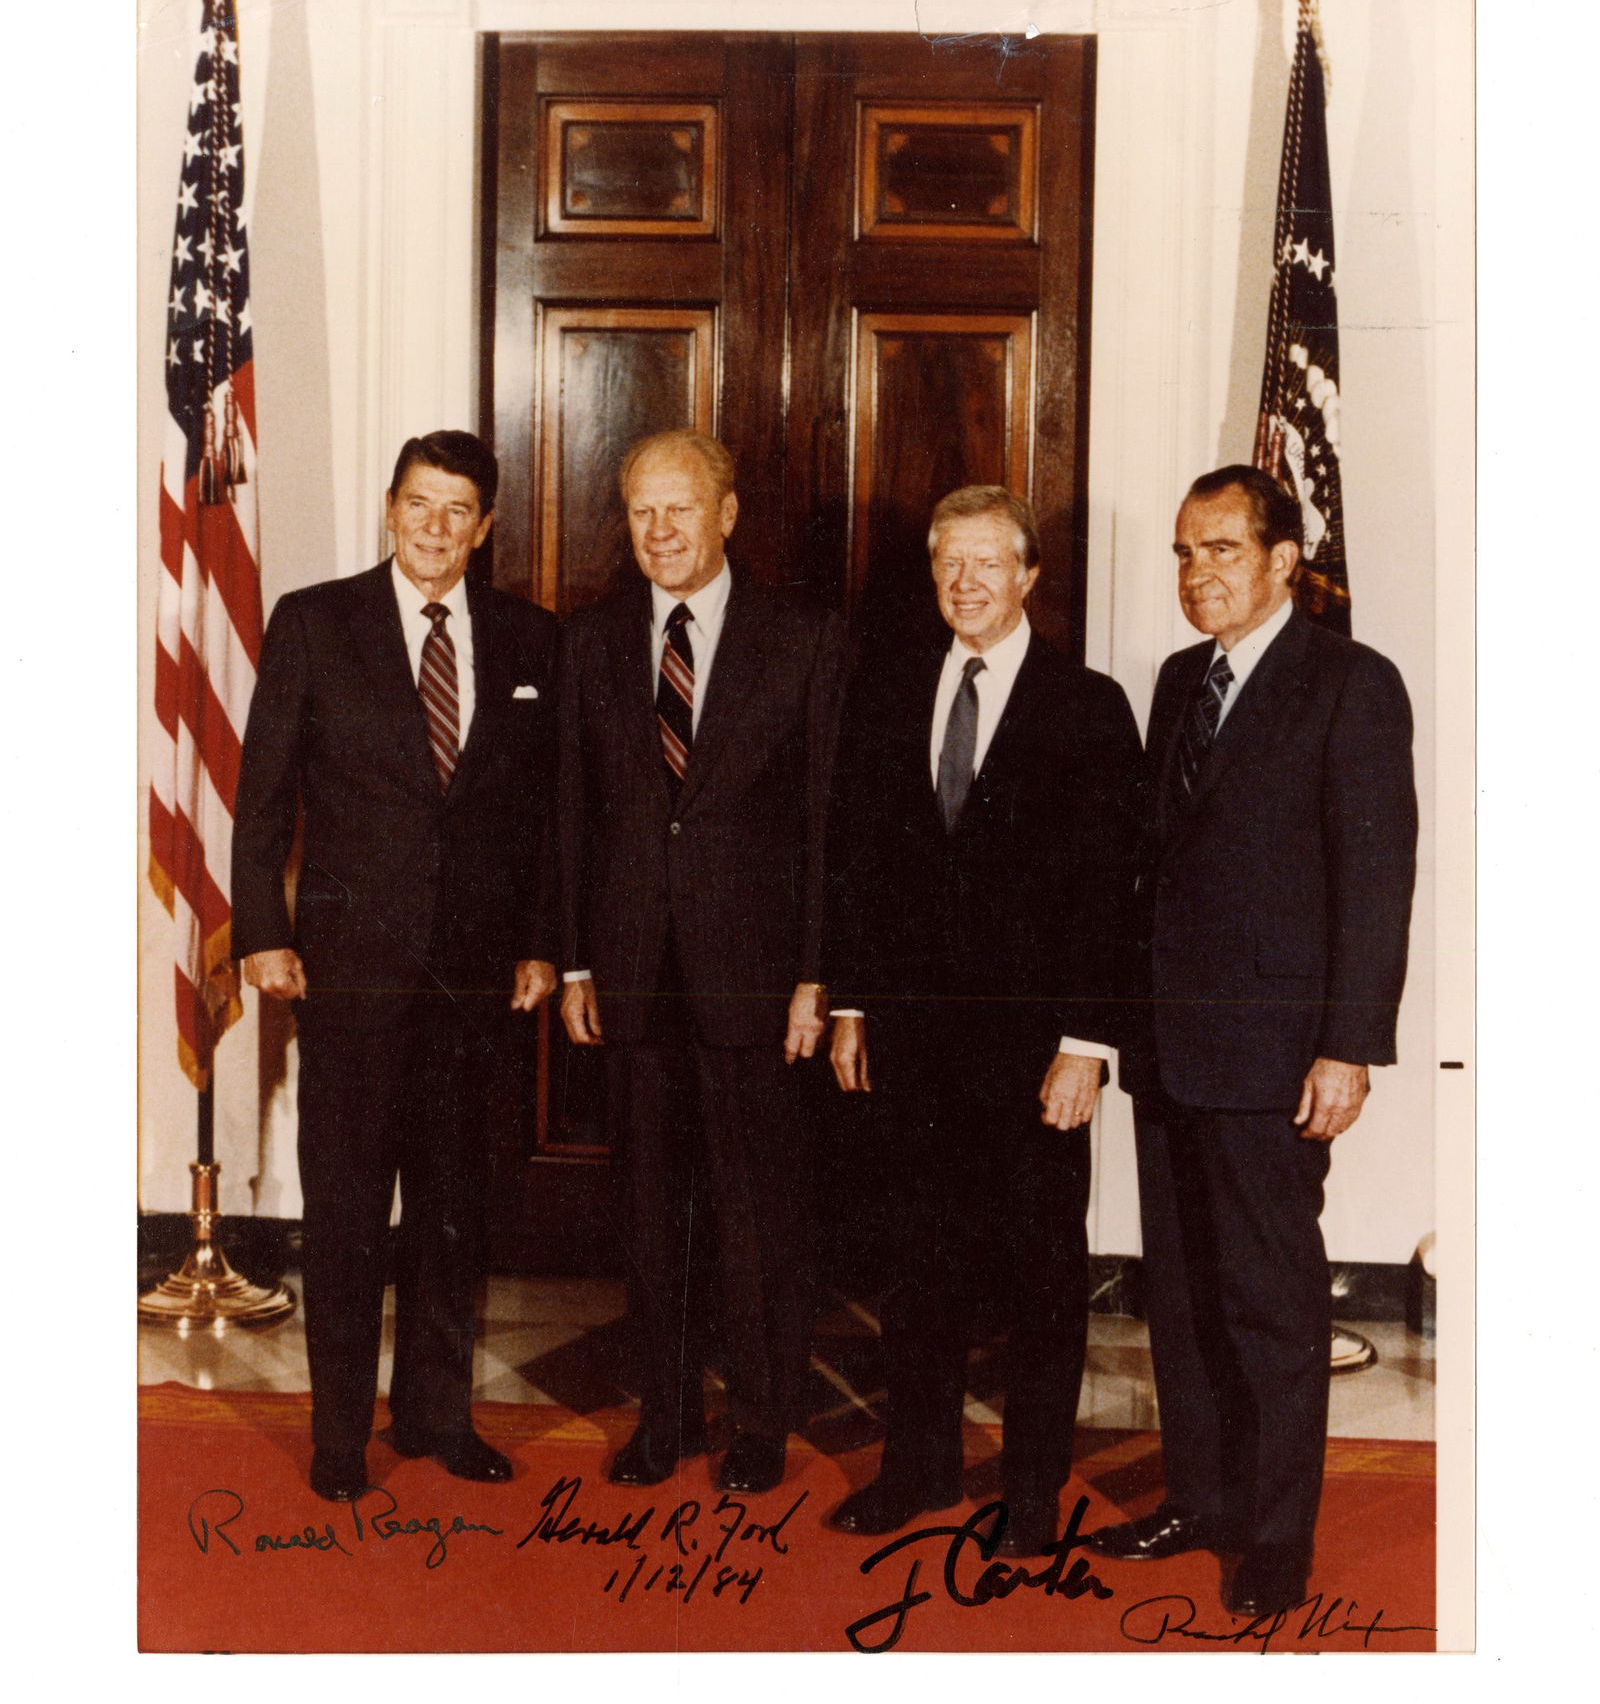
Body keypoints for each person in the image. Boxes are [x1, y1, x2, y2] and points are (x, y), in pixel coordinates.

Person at [1089, 465, 1418, 1615]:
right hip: (1171, 1044)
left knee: (1269, 1300)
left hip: (1276, 1050)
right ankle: (1203, 1498)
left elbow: (1376, 881)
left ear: (1284, 559)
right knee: (1178, 1293)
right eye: (1184, 552)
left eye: (1221, 549)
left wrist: (1349, 1044)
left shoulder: (1351, 682)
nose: (1198, 573)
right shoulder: (1181, 679)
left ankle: (1276, 1535)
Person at [232, 430, 559, 1503]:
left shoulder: (527, 640)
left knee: (454, 1210)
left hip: (474, 987)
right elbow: (264, 796)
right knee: (345, 1213)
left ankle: (437, 1417)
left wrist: (542, 942)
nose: (435, 526)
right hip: (349, 976)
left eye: (457, 509)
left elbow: (546, 822)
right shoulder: (315, 622)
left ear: (485, 525)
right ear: (389, 507)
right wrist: (263, 933)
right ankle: (339, 1434)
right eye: (419, 503)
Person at [823, 487, 1145, 1556]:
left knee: (1040, 1273)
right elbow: (859, 860)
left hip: (1034, 1054)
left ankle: (1033, 1490)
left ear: (1028, 577)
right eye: (946, 566)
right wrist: (855, 1000)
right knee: (918, 1265)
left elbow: (1113, 888)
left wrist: (1087, 1045)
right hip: (913, 1044)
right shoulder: (888, 689)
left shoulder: (1087, 704)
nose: (964, 585)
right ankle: (913, 1469)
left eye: (985, 565)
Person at [557, 429, 847, 1496]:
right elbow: (570, 816)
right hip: (633, 973)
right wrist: (580, 964)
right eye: (641, 510)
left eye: (680, 508)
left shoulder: (805, 637)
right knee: (648, 1214)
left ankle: (762, 1420)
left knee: (756, 1213)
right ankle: (665, 1416)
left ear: (727, 514)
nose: (660, 530)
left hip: (758, 981)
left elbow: (825, 818)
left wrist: (817, 973)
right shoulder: (590, 641)